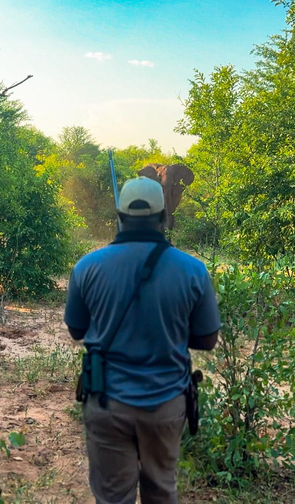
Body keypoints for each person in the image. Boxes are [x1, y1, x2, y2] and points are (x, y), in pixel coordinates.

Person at [64, 176, 221, 504]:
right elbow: (207, 339)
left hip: (106, 402)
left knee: (112, 497)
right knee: (162, 491)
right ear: (164, 217)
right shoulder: (193, 270)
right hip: (166, 405)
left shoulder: (86, 267)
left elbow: (77, 330)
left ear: (119, 217)